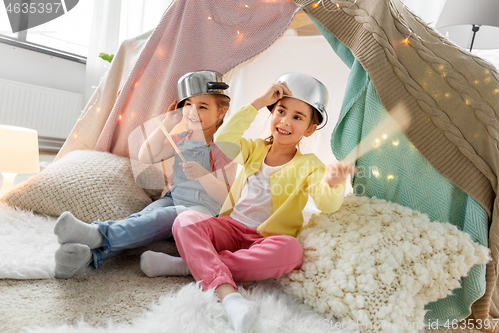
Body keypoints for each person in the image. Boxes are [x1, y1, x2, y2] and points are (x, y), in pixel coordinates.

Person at [140, 72, 356, 333]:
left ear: (310, 129)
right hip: (230, 226)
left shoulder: (310, 165)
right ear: (272, 114)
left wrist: (333, 183)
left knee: (292, 251)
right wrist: (258, 102)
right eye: (280, 111)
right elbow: (223, 141)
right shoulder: (254, 148)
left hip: (265, 238)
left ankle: (190, 265)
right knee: (185, 220)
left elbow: (326, 203)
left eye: (297, 117)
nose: (285, 121)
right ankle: (227, 293)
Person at [53, 70, 237, 279]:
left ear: (220, 113)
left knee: (162, 216)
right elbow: (146, 155)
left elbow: (226, 197)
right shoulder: (181, 139)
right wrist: (167, 123)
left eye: (202, 107)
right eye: (188, 105)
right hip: (173, 198)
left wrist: (203, 174)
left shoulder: (225, 147)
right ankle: (85, 257)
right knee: (142, 218)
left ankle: (98, 233)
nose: (193, 112)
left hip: (202, 210)